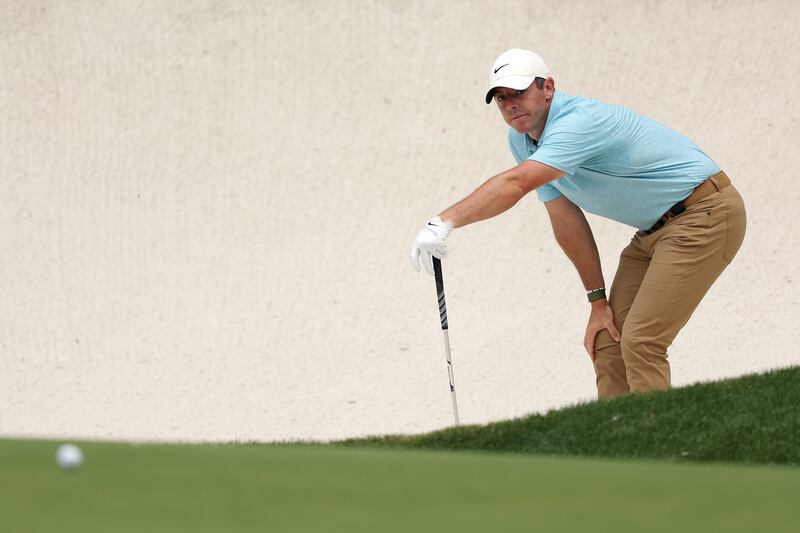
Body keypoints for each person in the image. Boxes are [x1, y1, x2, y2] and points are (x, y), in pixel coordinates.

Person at [409, 48, 746, 399]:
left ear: (548, 88)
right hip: (653, 232)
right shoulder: (522, 141)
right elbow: (564, 217)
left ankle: (657, 450)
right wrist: (597, 302)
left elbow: (516, 184)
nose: (510, 105)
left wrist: (444, 221)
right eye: (501, 98)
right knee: (607, 340)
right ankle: (612, 448)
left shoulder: (577, 121)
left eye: (519, 93)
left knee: (642, 340)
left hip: (705, 214)